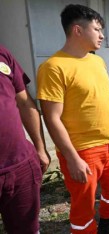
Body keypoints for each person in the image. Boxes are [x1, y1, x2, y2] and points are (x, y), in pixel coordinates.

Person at [37, 4, 109, 234]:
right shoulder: (53, 67)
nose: (102, 35)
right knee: (83, 205)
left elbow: (104, 98)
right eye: (97, 29)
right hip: (83, 151)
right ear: (77, 30)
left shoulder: (97, 61)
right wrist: (71, 157)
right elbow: (52, 118)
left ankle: (108, 222)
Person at [0, 45, 50, 233]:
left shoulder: (3, 53)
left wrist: (40, 148)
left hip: (20, 166)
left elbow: (24, 103)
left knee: (27, 229)